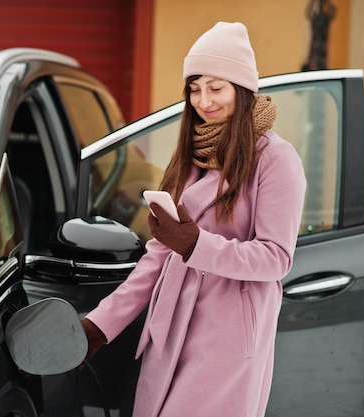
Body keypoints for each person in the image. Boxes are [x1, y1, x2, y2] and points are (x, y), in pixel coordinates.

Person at [81, 21, 307, 417]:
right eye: (195, 88)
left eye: (216, 88)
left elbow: (276, 257)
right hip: (172, 331)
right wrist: (100, 326)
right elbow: (157, 256)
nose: (204, 101)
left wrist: (194, 244)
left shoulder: (276, 159)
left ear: (242, 88)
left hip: (228, 339)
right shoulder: (194, 154)